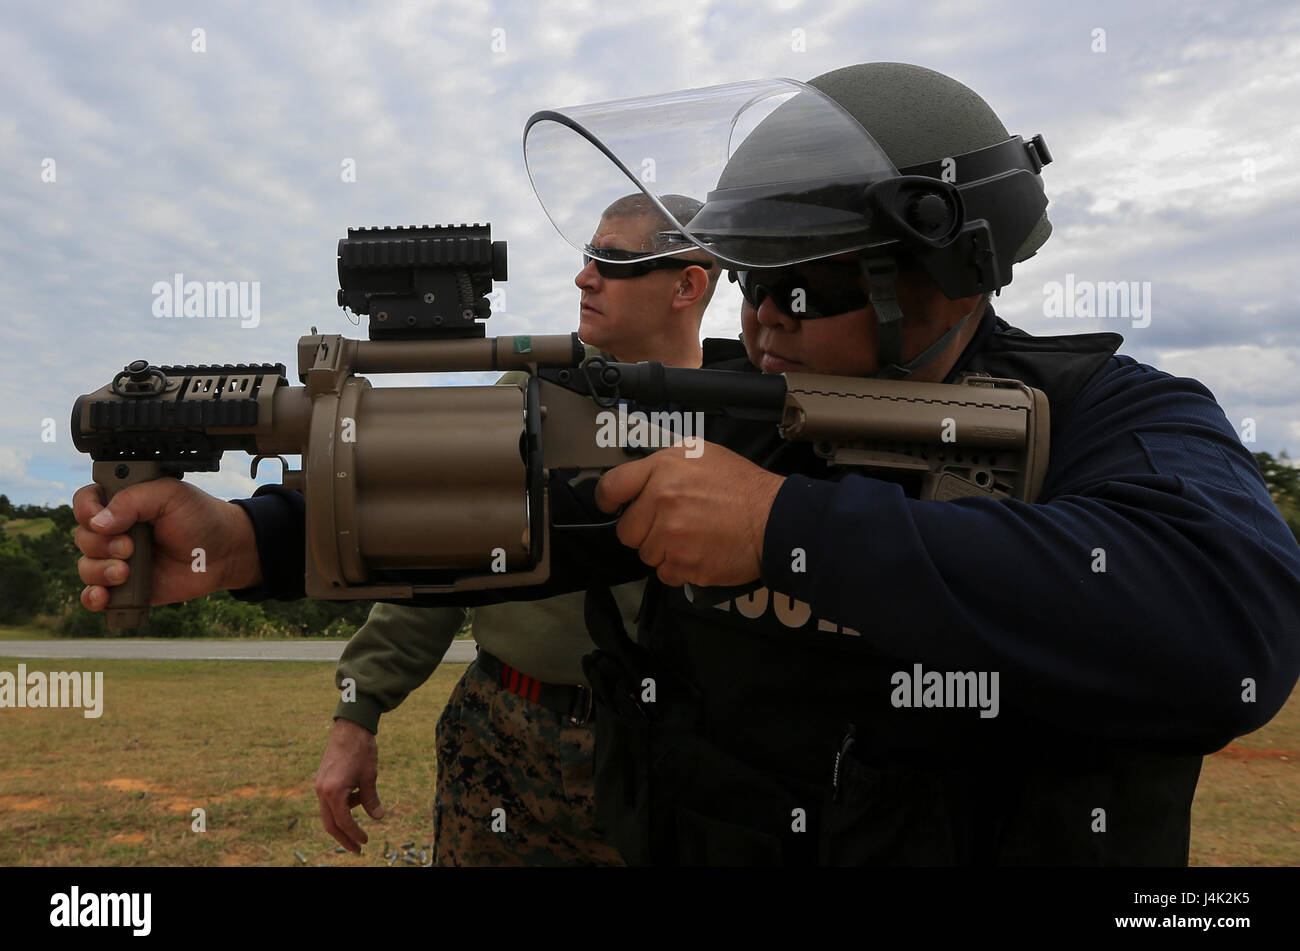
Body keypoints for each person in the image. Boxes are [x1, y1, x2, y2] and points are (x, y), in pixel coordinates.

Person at [73, 63, 1300, 865]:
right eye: (752, 282)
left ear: (939, 277)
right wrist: (255, 541)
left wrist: (791, 533)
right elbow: (540, 516)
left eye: (802, 287)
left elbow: (1227, 626)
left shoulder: (1117, 420)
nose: (760, 322)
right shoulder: (749, 416)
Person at [313, 194, 721, 865]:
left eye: (612, 261)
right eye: (587, 257)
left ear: (687, 284)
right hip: (500, 739)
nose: (584, 277)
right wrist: (357, 713)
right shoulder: (531, 392)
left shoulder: (743, 418)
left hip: (659, 753)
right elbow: (437, 554)